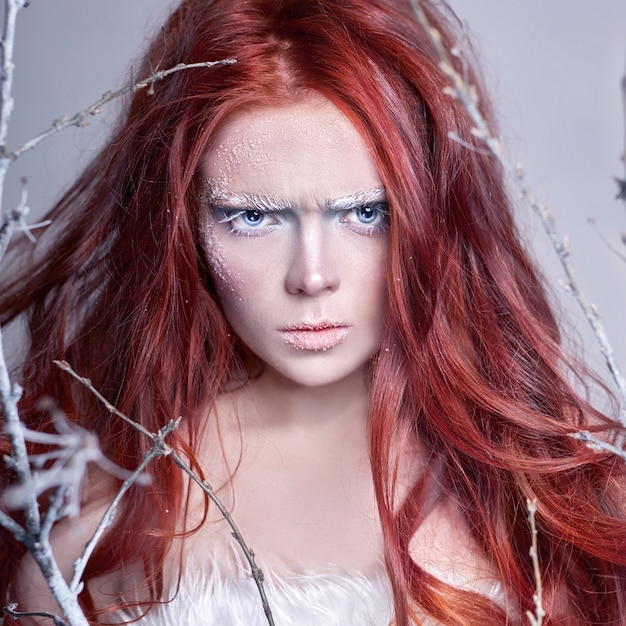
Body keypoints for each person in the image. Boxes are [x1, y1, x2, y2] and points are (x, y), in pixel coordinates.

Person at [1, 0, 626, 624]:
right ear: (184, 222)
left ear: (432, 211)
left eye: (364, 213)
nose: (312, 276)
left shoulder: (553, 495)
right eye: (253, 217)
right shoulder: (92, 514)